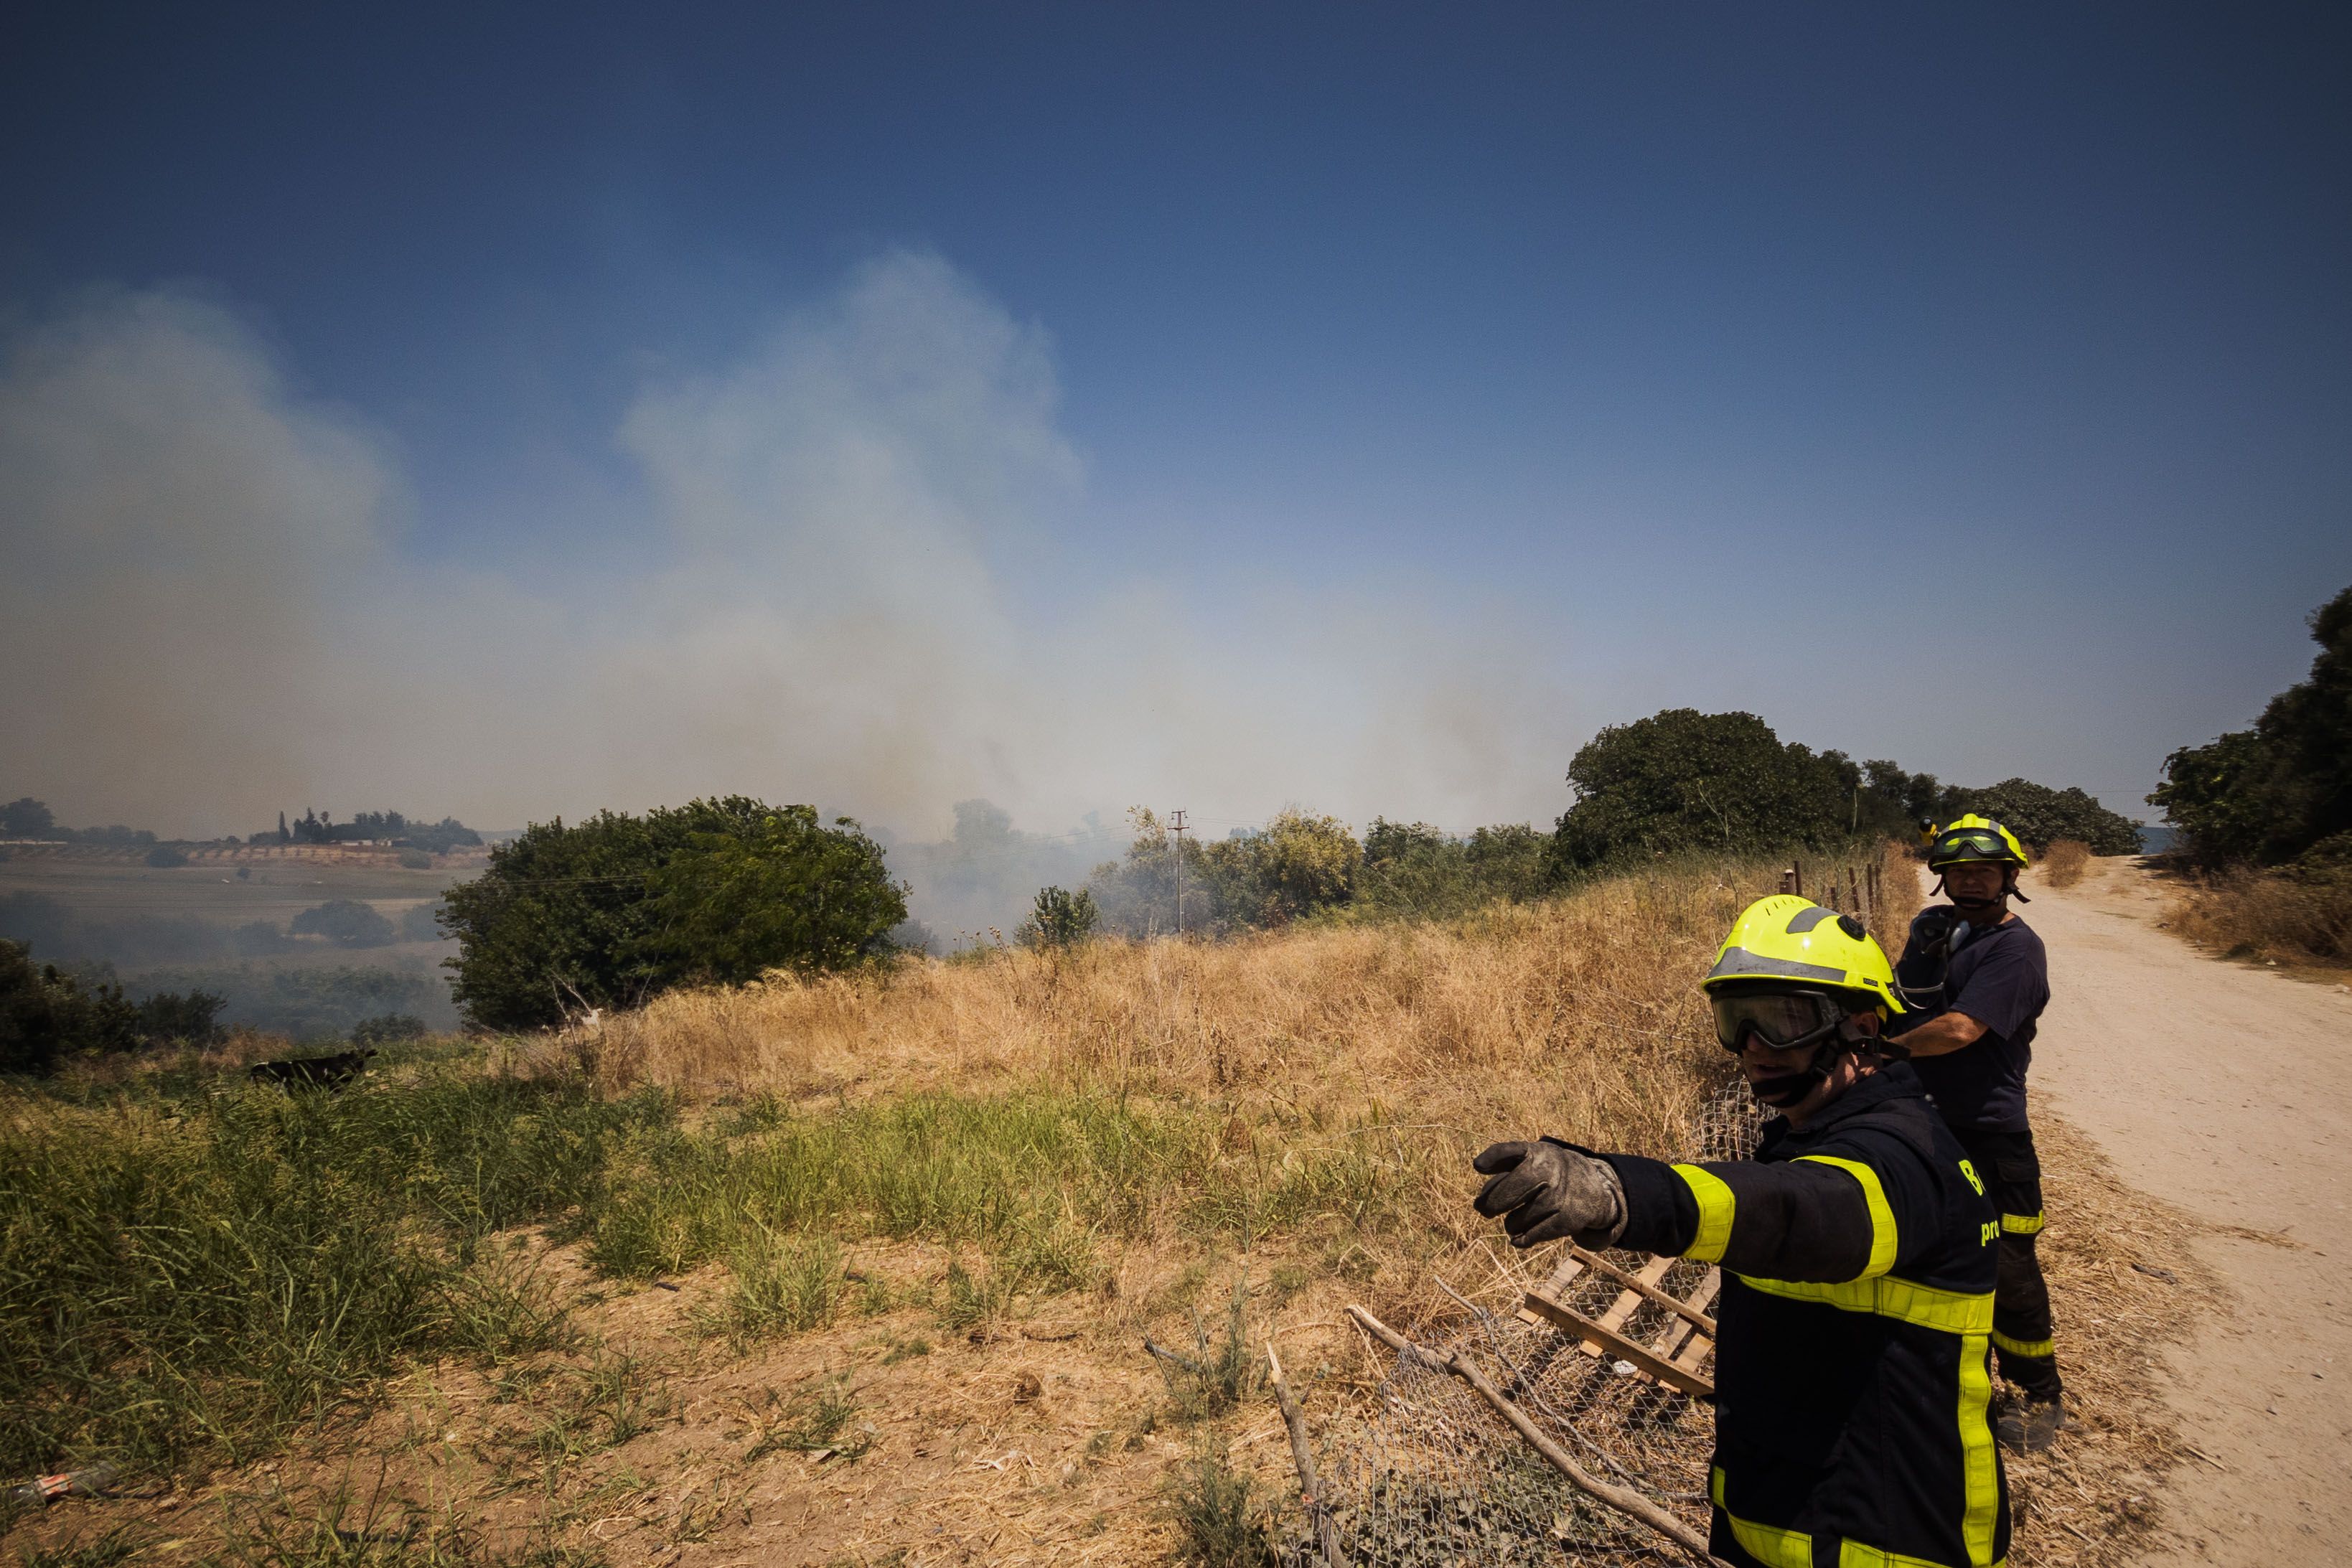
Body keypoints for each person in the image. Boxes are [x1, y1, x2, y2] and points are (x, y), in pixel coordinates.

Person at [1473, 895, 2007, 1568]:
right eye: (1736, 1019)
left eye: (1783, 1018)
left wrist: (1624, 1193)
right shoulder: (1812, 1133)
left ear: (1861, 1027)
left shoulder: (1900, 1156)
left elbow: (1802, 1212)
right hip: (1796, 1520)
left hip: (1883, 1540)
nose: (1754, 1046)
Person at [1891, 814, 2064, 1452]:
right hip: (1931, 1124)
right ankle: (1954, 1383)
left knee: (2009, 1267)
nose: (1968, 880)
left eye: (1982, 870)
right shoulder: (1946, 935)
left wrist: (1886, 1050)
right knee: (1935, 1256)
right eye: (1957, 871)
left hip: (1990, 1132)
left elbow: (1959, 1029)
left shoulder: (2015, 949)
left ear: (2008, 877)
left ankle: (2034, 1391)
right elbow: (1907, 1003)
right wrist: (1913, 959)